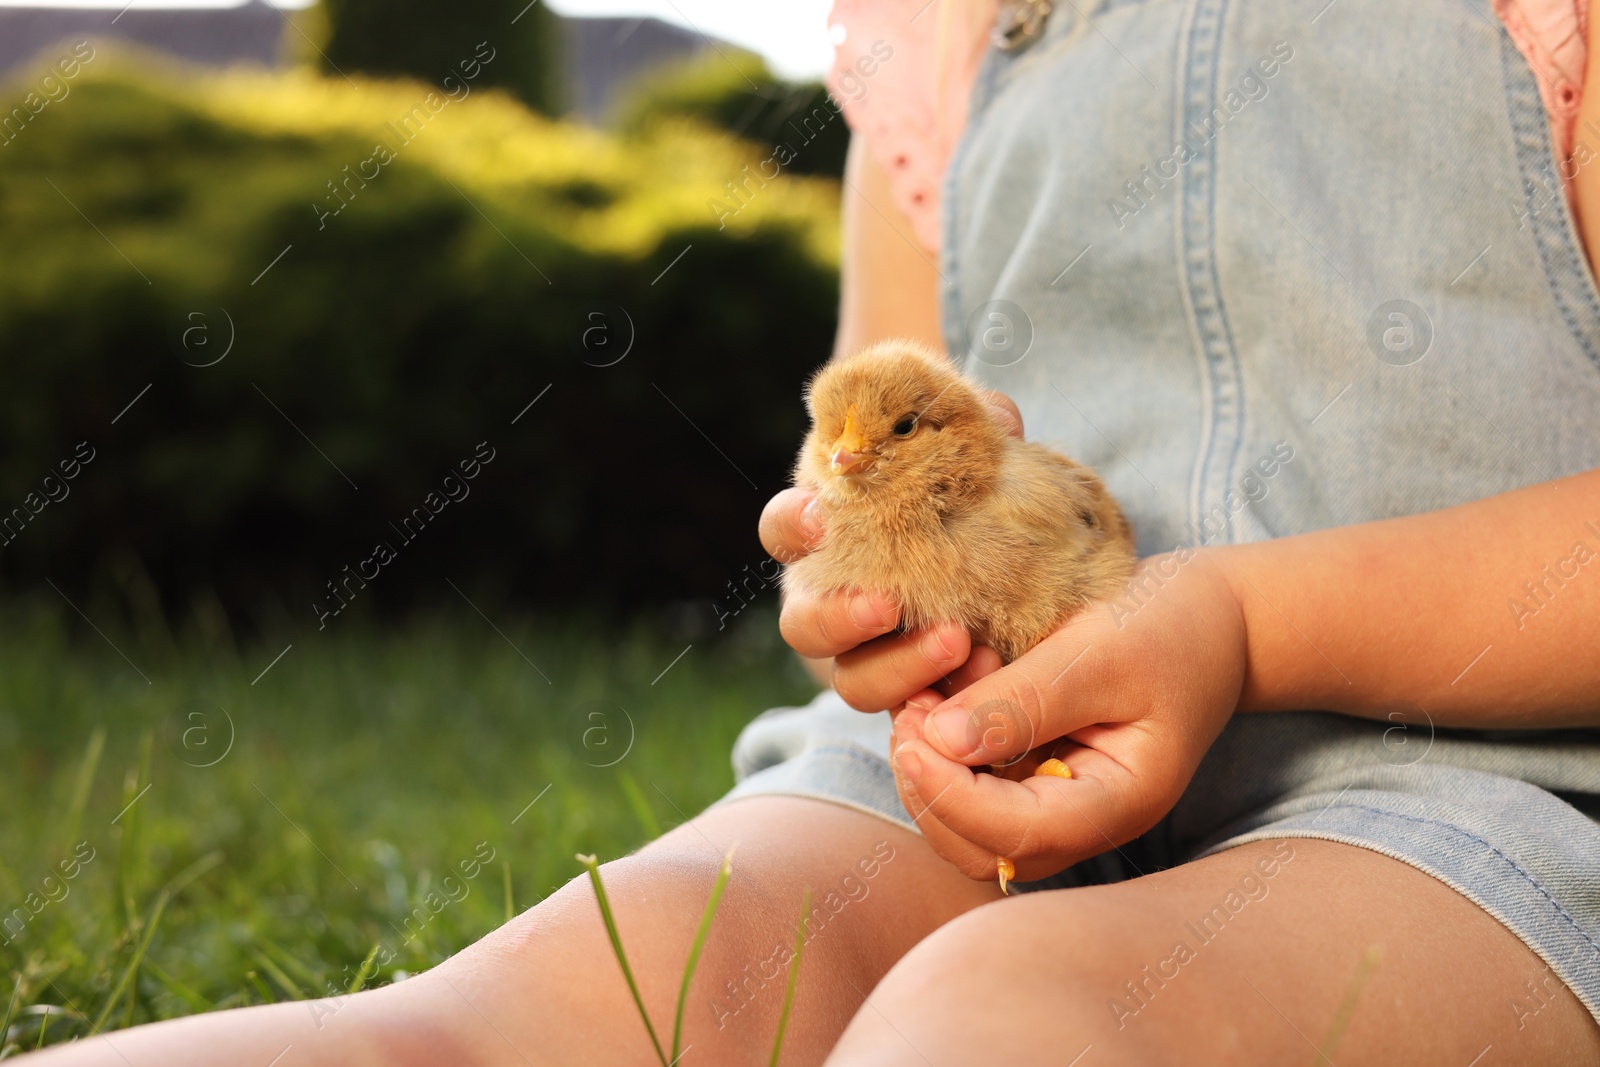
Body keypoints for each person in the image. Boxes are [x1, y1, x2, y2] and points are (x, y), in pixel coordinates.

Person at [32, 0, 1600, 1063]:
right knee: (575, 1001)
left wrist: (1242, 622)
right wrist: (866, 612)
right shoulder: (947, 28)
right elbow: (885, 415)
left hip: (1476, 801)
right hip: (968, 768)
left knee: (997, 1017)